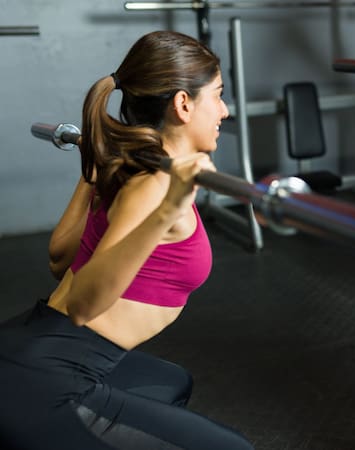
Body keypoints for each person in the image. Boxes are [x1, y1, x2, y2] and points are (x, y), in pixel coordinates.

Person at [0, 31, 254, 450]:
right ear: (183, 104)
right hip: (47, 379)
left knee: (170, 383)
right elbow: (83, 305)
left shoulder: (127, 166)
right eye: (218, 95)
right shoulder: (154, 185)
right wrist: (168, 210)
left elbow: (60, 260)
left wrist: (91, 169)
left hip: (30, 342)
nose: (225, 111)